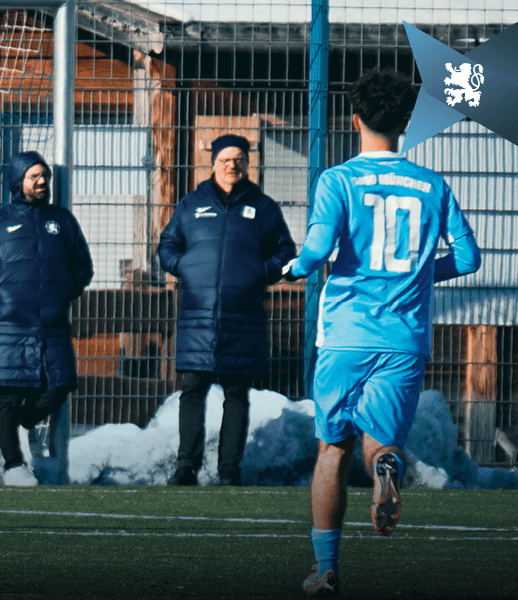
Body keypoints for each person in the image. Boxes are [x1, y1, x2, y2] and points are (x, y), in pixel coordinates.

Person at [284, 69, 481, 597]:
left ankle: (325, 569)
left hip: (345, 334)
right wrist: (416, 274)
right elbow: (468, 257)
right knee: (380, 441)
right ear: (406, 123)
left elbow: (318, 248)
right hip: (403, 338)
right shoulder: (433, 185)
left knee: (332, 448)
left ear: (354, 120)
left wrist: (295, 266)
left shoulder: (337, 180)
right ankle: (387, 468)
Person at [158, 134, 296, 487]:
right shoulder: (191, 204)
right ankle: (186, 466)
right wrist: (184, 266)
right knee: (193, 390)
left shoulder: (263, 208)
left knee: (237, 394)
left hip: (243, 316)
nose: (231, 165)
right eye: (225, 159)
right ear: (213, 162)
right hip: (197, 315)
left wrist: (261, 273)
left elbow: (284, 250)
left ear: (248, 163)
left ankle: (229, 471)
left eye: (238, 159)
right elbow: (167, 245)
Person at [0, 151, 93, 487]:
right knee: (6, 395)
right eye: (33, 176)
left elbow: (83, 266)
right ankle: (13, 467)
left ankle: (25, 422)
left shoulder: (62, 221)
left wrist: (64, 290)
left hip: (51, 326)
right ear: (17, 182)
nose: (41, 182)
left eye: (44, 176)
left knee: (59, 387)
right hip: (9, 325)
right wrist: (1, 288)